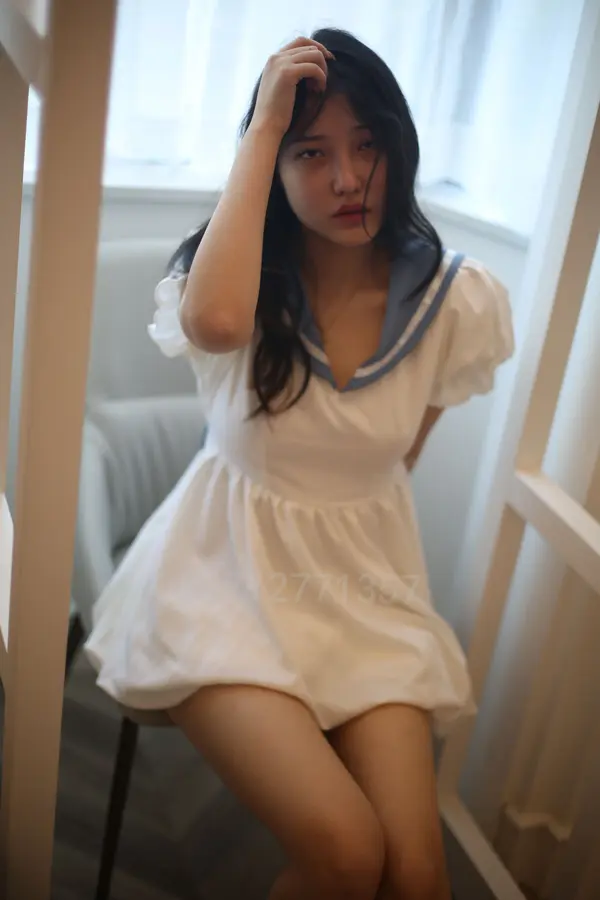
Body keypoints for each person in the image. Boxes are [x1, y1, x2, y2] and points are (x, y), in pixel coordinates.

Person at [85, 27, 515, 900]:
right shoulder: (236, 278)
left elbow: (397, 459)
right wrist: (263, 126)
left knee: (417, 874)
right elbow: (213, 325)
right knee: (346, 855)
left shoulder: (453, 299)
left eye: (368, 144)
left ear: (400, 143)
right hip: (218, 580)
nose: (348, 178)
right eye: (312, 152)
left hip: (363, 591)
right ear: (274, 164)